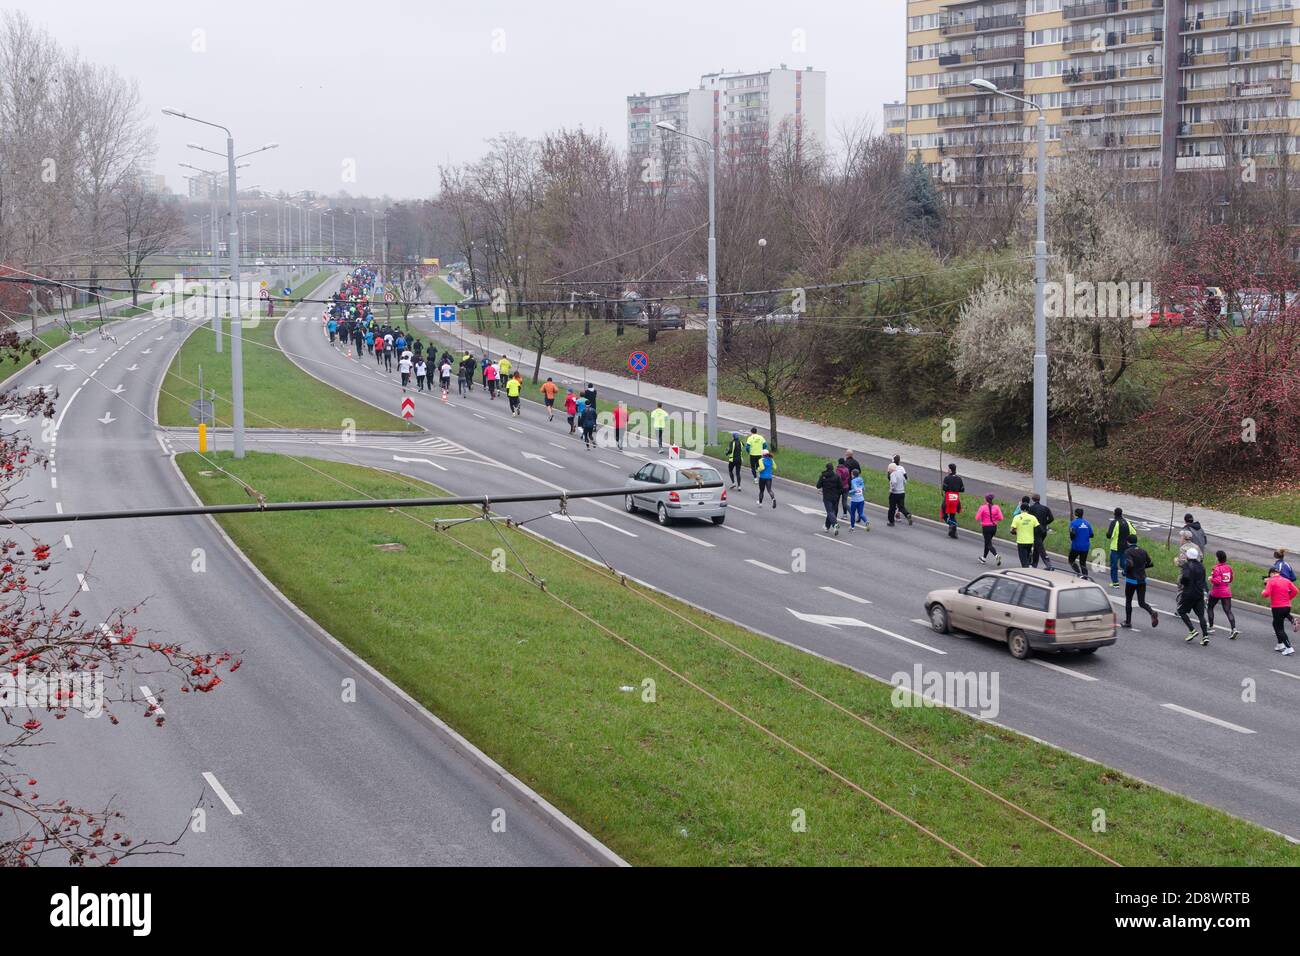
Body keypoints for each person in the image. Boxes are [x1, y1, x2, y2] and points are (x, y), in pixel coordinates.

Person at [1121, 536, 1158, 630]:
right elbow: (1150, 563)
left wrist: (1125, 572)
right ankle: (1151, 612)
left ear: (1128, 542)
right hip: (1142, 579)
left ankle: (1128, 622)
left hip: (1131, 580)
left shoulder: (1128, 552)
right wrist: (1141, 568)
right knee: (1141, 602)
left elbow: (1129, 564)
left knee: (1128, 600)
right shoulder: (1143, 551)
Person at [1176, 546, 1211, 645]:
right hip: (1199, 593)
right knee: (1201, 615)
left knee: (1181, 611)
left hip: (1188, 593)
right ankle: (1205, 636)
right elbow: (1203, 580)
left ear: (1188, 556)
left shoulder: (1187, 565)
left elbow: (1186, 576)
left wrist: (1182, 582)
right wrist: (1206, 591)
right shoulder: (1201, 566)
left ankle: (1192, 630)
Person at [1263, 567, 1299, 655]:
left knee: (1279, 628)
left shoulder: (1271, 581)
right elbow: (1295, 591)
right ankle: (1280, 644)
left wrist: (1263, 591)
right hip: (1287, 606)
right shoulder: (1286, 580)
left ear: (1271, 573)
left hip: (1277, 607)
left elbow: (1266, 594)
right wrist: (1288, 598)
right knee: (1275, 624)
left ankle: (1289, 647)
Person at [1208, 550, 1239, 640]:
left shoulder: (1216, 568)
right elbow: (1230, 579)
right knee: (1228, 611)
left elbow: (1217, 581)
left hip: (1217, 591)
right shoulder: (1228, 567)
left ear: (1218, 558)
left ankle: (1210, 627)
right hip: (1226, 591)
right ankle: (1234, 628)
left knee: (1210, 607)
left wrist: (1211, 579)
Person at [1105, 508, 1134, 589]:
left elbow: (1109, 535)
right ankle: (1125, 572)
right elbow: (1134, 533)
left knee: (1114, 566)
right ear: (1122, 513)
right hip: (1126, 548)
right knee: (1123, 564)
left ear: (1114, 514)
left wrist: (1107, 533)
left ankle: (1115, 583)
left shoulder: (1114, 523)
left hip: (1115, 548)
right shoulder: (1128, 522)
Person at [1027, 493, 1055, 571]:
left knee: (1040, 547)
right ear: (1039, 499)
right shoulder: (1045, 508)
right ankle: (1034, 564)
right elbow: (1052, 518)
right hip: (1043, 531)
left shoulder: (1031, 508)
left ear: (1032, 500)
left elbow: (1029, 519)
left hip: (1035, 530)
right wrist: (1045, 523)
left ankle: (1049, 564)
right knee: (1037, 547)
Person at [1010, 498, 1038, 567]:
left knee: (1023, 560)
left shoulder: (1017, 517)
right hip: (1030, 542)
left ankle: (1026, 571)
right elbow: (1037, 528)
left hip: (1021, 541)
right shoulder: (1033, 518)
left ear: (1021, 509)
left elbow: (1012, 530)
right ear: (1028, 509)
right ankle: (1029, 566)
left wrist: (1015, 532)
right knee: (1028, 558)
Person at [975, 494, 1003, 565]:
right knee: (987, 542)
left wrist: (983, 519)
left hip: (986, 527)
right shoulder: (996, 507)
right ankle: (983, 558)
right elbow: (1001, 518)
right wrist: (994, 518)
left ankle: (997, 556)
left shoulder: (982, 507)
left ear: (986, 500)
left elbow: (977, 518)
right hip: (994, 527)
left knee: (988, 544)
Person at [816, 462, 842, 535]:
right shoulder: (837, 476)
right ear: (833, 468)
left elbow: (818, 486)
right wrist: (837, 493)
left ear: (826, 468)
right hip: (835, 497)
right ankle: (827, 527)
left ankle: (835, 524)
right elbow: (841, 487)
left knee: (830, 512)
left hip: (827, 497)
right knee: (832, 512)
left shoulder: (823, 476)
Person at [1067, 508, 1093, 579]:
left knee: (1071, 560)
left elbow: (1072, 534)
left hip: (1076, 546)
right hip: (1085, 547)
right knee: (1083, 563)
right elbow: (1091, 535)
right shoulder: (1087, 523)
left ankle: (1078, 573)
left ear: (1076, 514)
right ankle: (1085, 577)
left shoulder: (1073, 523)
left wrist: (1072, 538)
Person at [886, 455, 912, 526]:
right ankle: (907, 514)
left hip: (895, 493)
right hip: (902, 492)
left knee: (892, 508)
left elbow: (893, 482)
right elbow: (905, 481)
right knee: (901, 507)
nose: (888, 471)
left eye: (889, 469)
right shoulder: (901, 472)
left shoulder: (893, 474)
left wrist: (892, 489)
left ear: (891, 469)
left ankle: (891, 522)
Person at [940, 463, 964, 539]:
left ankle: (951, 524)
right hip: (955, 498)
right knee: (952, 515)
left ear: (950, 470)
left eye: (948, 469)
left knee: (944, 514)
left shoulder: (947, 478)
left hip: (948, 498)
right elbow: (962, 489)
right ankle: (953, 532)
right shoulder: (959, 479)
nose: (947, 470)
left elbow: (944, 488)